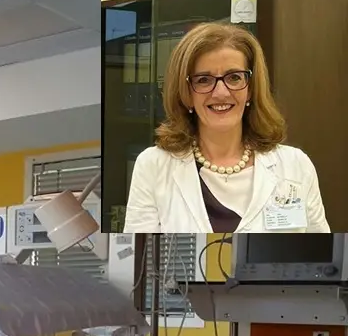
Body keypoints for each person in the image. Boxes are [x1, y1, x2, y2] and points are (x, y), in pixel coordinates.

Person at [122, 23, 329, 233]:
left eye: (234, 78)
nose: (221, 93)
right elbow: (142, 249)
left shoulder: (296, 166)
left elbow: (318, 248)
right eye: (204, 80)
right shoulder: (153, 166)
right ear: (186, 93)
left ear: (250, 89)